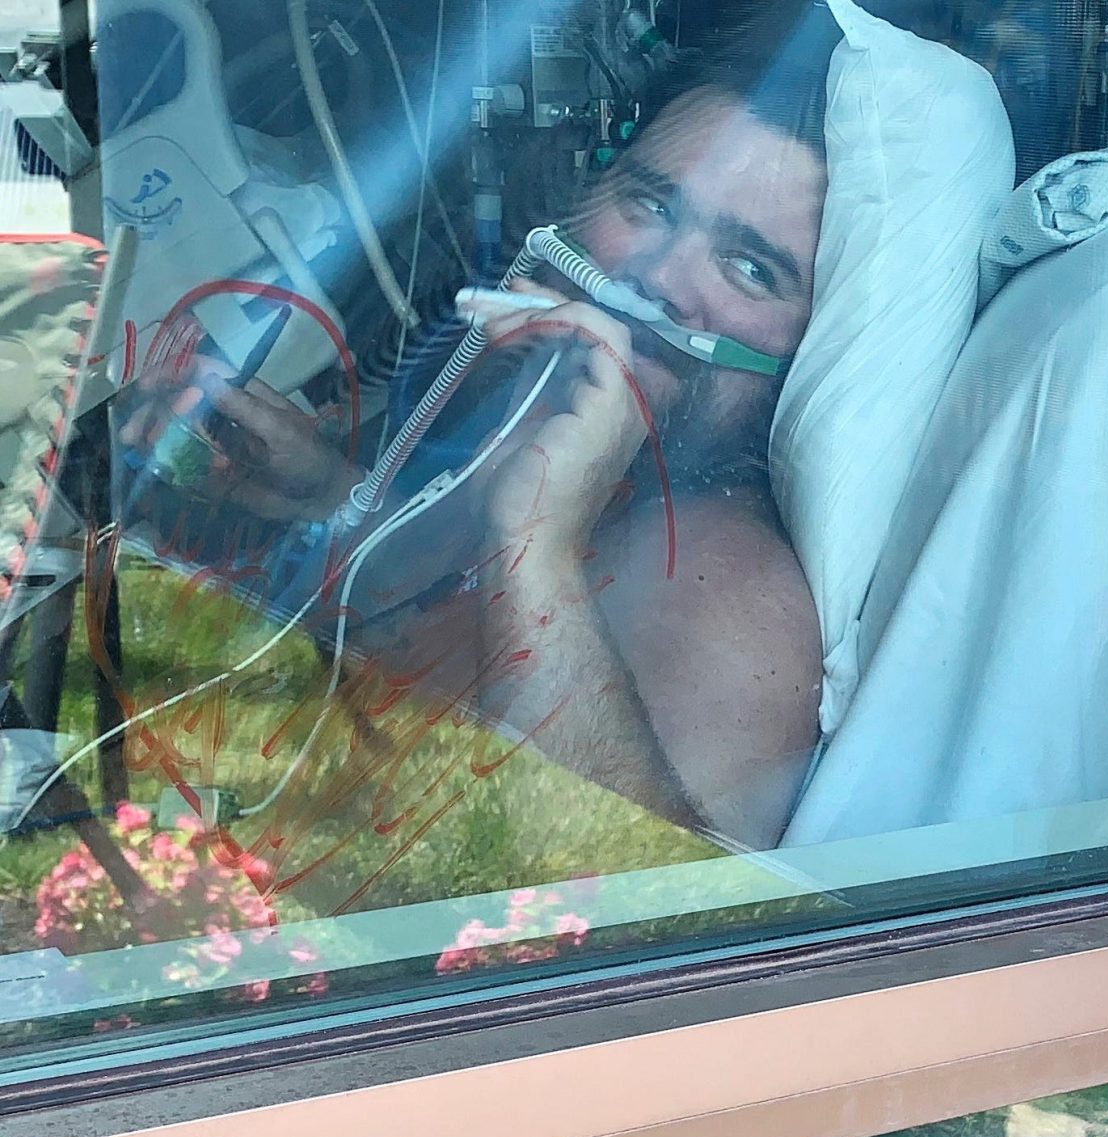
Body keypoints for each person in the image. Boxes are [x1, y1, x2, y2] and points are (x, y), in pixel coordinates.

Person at [139, 14, 834, 849]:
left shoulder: (735, 606)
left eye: (750, 267)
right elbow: (424, 648)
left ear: (812, 342)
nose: (655, 278)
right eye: (651, 204)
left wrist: (535, 551)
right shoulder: (546, 437)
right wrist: (325, 496)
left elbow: (627, 918)